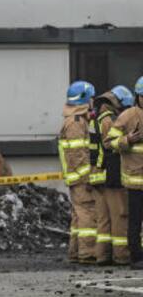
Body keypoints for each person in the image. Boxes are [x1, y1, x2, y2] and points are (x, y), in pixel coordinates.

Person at [93, 85, 133, 266]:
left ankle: (102, 255)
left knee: (103, 218)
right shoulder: (109, 120)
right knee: (119, 216)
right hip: (110, 173)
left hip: (97, 174)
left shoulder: (96, 117)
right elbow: (111, 146)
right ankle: (121, 255)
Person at [106, 76, 143, 269]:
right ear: (138, 96)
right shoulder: (128, 116)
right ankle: (136, 257)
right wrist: (127, 140)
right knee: (135, 221)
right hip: (135, 180)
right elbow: (109, 143)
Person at [59, 81, 98, 265]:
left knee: (78, 214)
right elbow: (77, 155)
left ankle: (75, 252)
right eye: (91, 98)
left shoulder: (76, 120)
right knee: (87, 214)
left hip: (76, 177)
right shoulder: (76, 123)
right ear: (84, 99)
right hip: (80, 178)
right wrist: (87, 176)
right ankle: (88, 253)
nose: (93, 101)